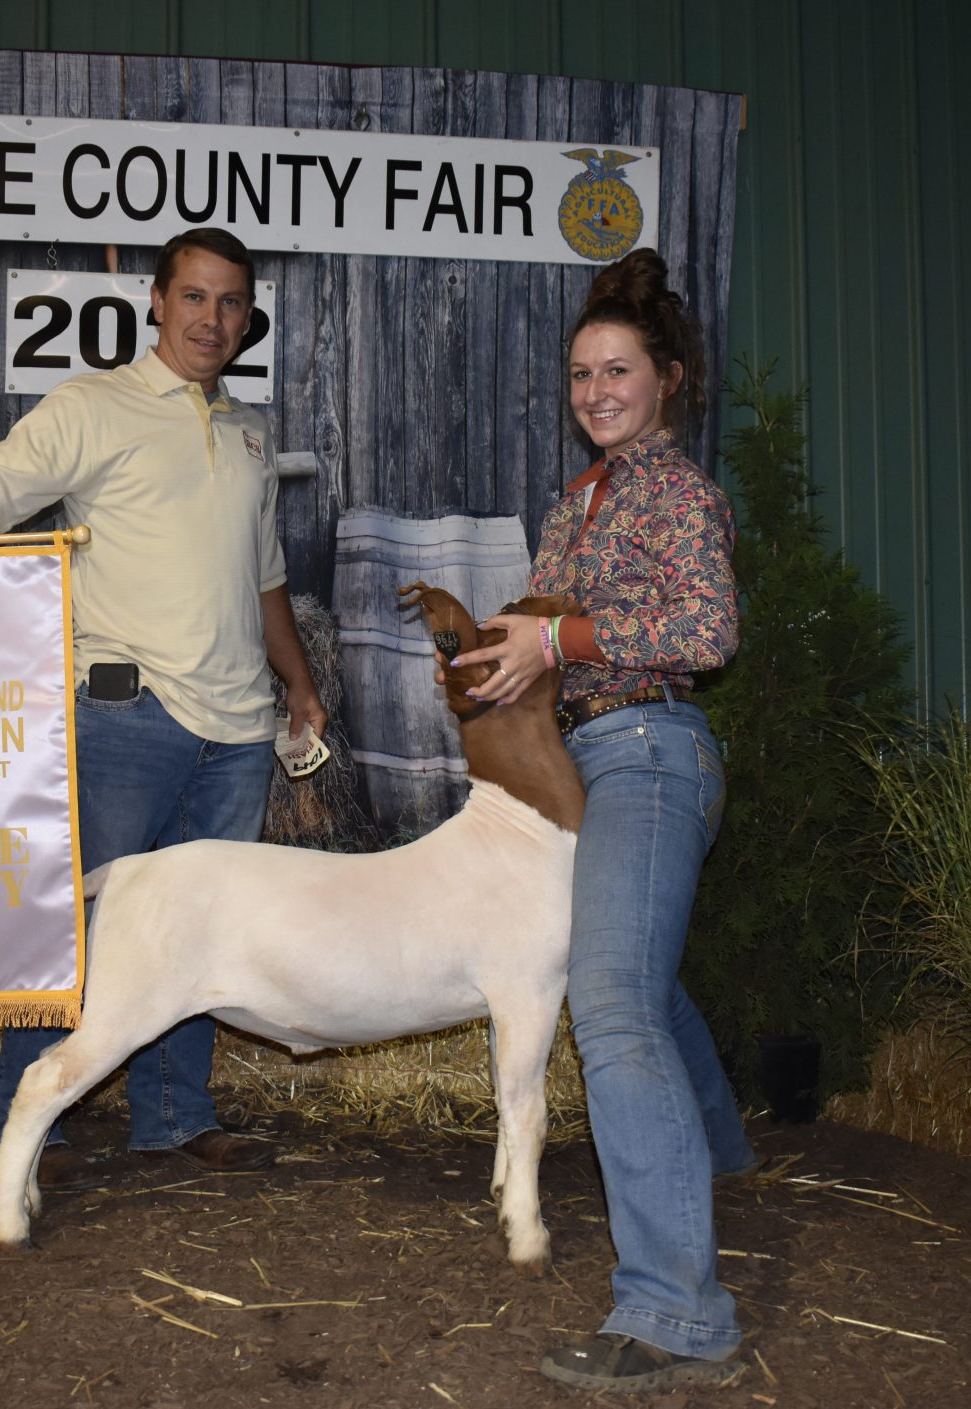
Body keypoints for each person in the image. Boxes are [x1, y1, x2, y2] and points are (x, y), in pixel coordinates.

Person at [0, 227, 326, 1191]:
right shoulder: (94, 404)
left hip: (240, 728)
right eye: (195, 298)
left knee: (199, 933)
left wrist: (296, 680)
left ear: (249, 320)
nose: (213, 318)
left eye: (232, 303)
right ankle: (22, 1114)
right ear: (157, 304)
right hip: (125, 716)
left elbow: (266, 577)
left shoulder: (252, 429)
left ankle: (172, 1118)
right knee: (72, 927)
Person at [447, 248, 755, 1394]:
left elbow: (708, 625)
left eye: (617, 370)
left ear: (666, 378)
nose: (596, 390)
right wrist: (505, 665)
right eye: (581, 372)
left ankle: (679, 1311)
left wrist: (560, 643)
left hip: (651, 748)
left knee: (610, 998)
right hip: (590, 753)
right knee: (640, 973)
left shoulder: (675, 490)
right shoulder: (574, 503)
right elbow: (554, 643)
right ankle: (720, 1155)